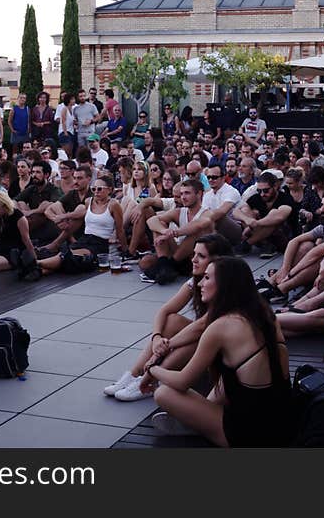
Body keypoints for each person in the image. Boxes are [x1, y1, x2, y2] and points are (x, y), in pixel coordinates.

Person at [147, 257, 292, 446]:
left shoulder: (221, 326)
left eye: (206, 278)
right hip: (285, 424)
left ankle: (198, 425)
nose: (199, 283)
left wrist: (151, 370)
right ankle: (200, 419)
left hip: (249, 437)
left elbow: (182, 381)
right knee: (231, 372)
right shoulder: (265, 315)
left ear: (225, 285)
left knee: (164, 393)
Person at [105, 234, 233, 402]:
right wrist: (157, 337)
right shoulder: (197, 281)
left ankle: (151, 379)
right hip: (209, 338)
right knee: (172, 320)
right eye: (194, 254)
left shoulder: (228, 285)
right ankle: (135, 374)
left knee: (198, 338)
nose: (193, 259)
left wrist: (166, 346)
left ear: (218, 261)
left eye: (201, 256)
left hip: (227, 351)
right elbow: (164, 310)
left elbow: (202, 325)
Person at [258, 189, 324, 303]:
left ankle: (282, 288)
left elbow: (316, 253)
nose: (321, 210)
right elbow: (294, 241)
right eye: (322, 205)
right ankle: (273, 281)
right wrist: (285, 270)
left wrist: (291, 273)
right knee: (305, 245)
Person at [142, 179, 213, 278]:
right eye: (182, 194)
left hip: (195, 257)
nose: (183, 197)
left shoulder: (207, 213)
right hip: (178, 253)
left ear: (199, 194)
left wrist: (173, 233)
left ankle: (169, 266)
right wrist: (165, 231)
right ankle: (165, 265)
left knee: (198, 232)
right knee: (145, 262)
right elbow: (151, 220)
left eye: (187, 193)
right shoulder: (179, 211)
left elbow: (199, 225)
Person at [233, 171, 297, 257]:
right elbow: (236, 211)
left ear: (275, 186)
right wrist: (248, 221)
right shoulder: (257, 197)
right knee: (245, 210)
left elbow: (280, 217)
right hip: (261, 236)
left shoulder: (285, 198)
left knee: (273, 215)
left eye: (266, 190)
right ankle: (266, 244)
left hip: (283, 237)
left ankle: (247, 244)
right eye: (259, 191)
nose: (262, 194)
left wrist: (255, 224)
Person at [202, 163, 242, 244]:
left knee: (218, 216)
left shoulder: (231, 191)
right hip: (214, 228)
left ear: (223, 178)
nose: (210, 180)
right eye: (208, 177)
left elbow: (223, 211)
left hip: (235, 229)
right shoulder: (207, 195)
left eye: (214, 177)